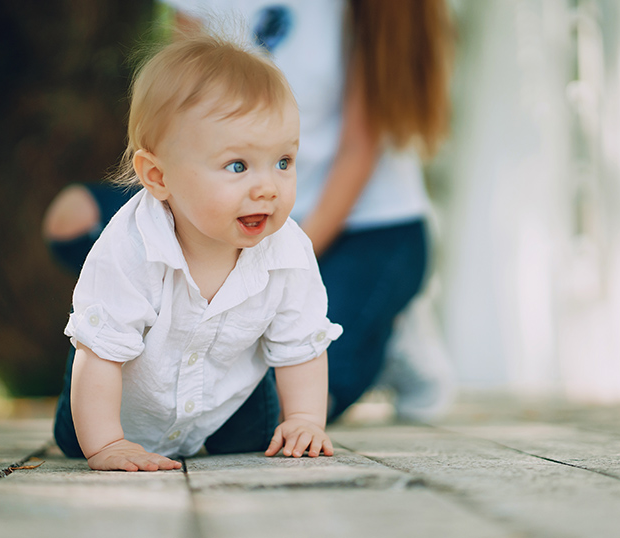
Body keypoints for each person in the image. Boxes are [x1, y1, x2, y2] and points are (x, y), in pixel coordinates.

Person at [44, 0, 454, 423]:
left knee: (274, 410)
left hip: (364, 226)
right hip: (222, 204)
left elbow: (357, 150)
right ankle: (168, 321)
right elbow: (178, 118)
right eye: (239, 164)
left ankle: (379, 329)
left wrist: (265, 266)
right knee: (75, 220)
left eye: (285, 161)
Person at [53, 29, 342, 471]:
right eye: (238, 165)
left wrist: (304, 419)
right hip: (122, 408)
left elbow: (301, 343)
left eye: (283, 162)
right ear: (158, 176)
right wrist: (107, 444)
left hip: (230, 404)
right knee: (79, 429)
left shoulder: (288, 250)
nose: (268, 187)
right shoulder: (131, 247)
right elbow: (103, 353)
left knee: (257, 437)